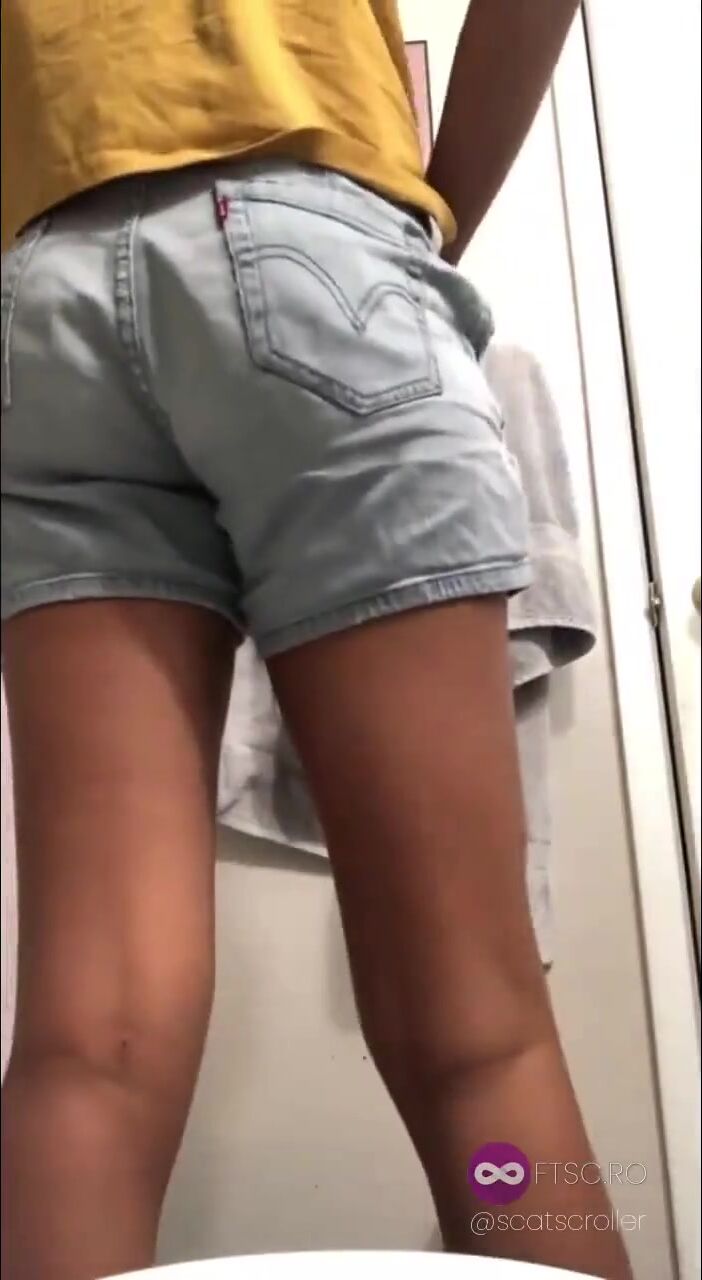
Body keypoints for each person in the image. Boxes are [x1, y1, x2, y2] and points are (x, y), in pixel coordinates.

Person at [0, 3, 632, 1278]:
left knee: (88, 1049)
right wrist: (433, 217)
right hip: (311, 230)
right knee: (478, 1031)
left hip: (39, 300)